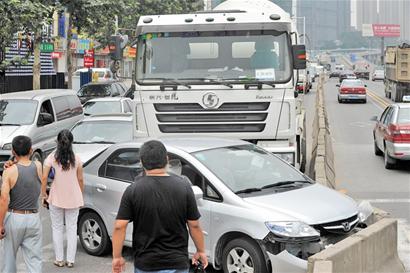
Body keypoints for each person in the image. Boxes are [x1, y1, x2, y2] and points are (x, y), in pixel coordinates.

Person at [112, 140, 208, 273]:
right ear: (167, 159)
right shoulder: (184, 187)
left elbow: (119, 226)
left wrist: (117, 257)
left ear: (141, 162)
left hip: (146, 264)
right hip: (177, 263)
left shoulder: (133, 190)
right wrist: (201, 251)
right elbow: (194, 225)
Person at [41, 129, 84, 268]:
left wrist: (44, 194)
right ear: (71, 142)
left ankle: (59, 259)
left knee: (57, 228)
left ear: (57, 142)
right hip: (73, 198)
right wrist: (80, 195)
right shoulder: (77, 158)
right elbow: (80, 179)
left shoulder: (51, 158)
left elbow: (44, 177)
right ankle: (70, 260)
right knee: (72, 228)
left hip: (56, 198)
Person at [0, 135, 43, 273]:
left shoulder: (9, 171)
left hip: (14, 218)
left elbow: (4, 199)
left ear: (13, 151)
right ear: (31, 150)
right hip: (34, 218)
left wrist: (0, 224)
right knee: (34, 260)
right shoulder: (38, 166)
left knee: (9, 259)